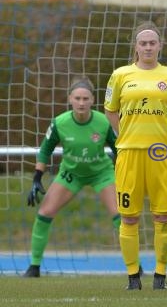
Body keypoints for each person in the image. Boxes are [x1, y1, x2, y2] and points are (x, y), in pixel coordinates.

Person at [104, 21, 167, 290]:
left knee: (163, 216)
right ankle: (133, 277)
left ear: (160, 46)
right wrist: (124, 134)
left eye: (152, 43)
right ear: (136, 47)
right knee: (128, 217)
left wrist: (163, 138)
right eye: (143, 43)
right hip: (128, 154)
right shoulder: (120, 75)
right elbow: (111, 110)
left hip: (161, 155)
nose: (148, 47)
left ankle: (160, 276)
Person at [23, 76, 119, 277]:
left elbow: (118, 149)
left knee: (121, 215)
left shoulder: (103, 122)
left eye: (86, 99)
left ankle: (135, 266)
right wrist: (37, 177)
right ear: (70, 99)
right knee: (44, 213)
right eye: (77, 98)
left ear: (93, 100)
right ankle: (34, 267)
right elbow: (45, 150)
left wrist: (126, 174)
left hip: (101, 173)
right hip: (70, 174)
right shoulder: (60, 122)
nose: (81, 103)